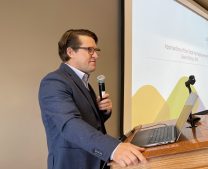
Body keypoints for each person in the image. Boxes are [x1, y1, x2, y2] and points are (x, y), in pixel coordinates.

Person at [39, 29, 146, 169]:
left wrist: (103, 112)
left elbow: (88, 121)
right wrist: (113, 148)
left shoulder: (85, 83)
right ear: (70, 52)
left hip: (95, 160)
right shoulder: (54, 82)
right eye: (89, 50)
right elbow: (70, 124)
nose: (96, 55)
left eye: (96, 50)